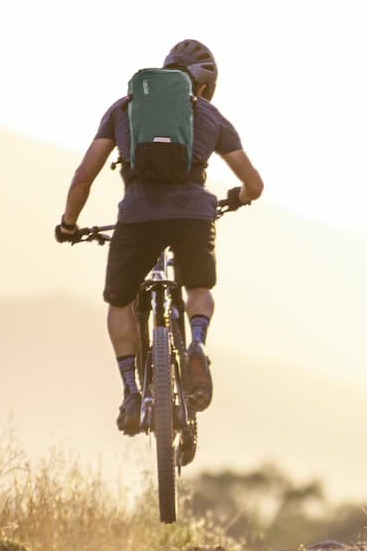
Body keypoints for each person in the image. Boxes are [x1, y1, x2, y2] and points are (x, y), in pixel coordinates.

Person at [55, 39, 264, 434]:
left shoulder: (125, 108)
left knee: (119, 301)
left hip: (137, 219)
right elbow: (254, 182)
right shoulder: (211, 116)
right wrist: (238, 198)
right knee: (198, 286)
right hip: (194, 217)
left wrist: (69, 224)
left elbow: (84, 175)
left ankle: (132, 392)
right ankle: (197, 342)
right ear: (202, 86)